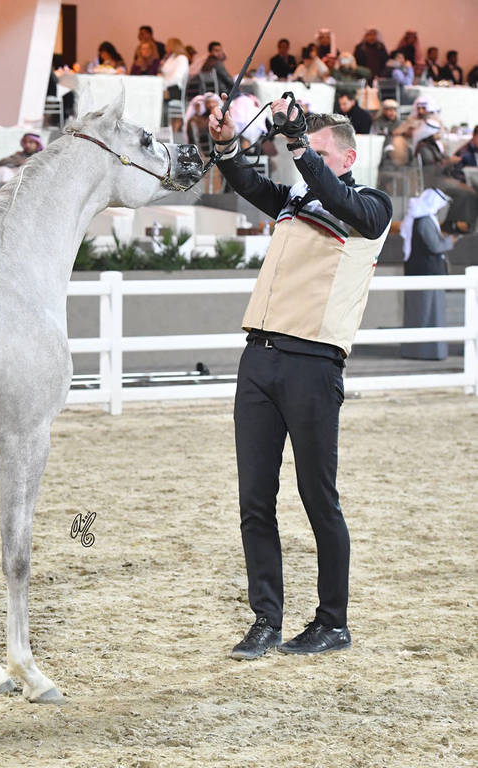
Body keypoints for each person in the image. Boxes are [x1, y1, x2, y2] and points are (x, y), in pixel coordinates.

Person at [208, 99, 393, 660]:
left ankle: (332, 622)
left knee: (319, 499)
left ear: (348, 156)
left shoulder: (371, 208)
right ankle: (266, 620)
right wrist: (224, 145)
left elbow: (338, 198)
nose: (307, 159)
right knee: (254, 502)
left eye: (318, 151)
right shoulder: (295, 201)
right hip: (259, 359)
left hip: (314, 365)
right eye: (305, 149)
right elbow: (246, 180)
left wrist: (296, 147)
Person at [400, 189, 455, 361]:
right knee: (426, 313)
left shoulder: (423, 219)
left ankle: (422, 351)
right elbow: (435, 246)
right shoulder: (424, 221)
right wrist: (450, 241)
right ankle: (424, 352)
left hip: (423, 271)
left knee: (425, 312)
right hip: (426, 272)